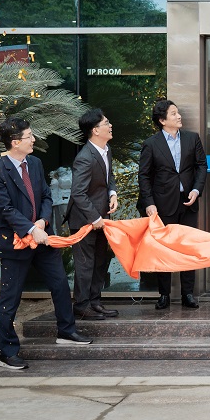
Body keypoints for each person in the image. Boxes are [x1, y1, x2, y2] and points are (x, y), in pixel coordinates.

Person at [0, 116, 92, 370]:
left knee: (59, 283)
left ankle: (66, 330)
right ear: (15, 142)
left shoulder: (34, 163)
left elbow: (46, 195)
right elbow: (4, 209)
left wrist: (43, 221)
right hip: (15, 242)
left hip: (43, 238)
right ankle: (7, 352)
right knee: (10, 297)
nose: (34, 140)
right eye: (29, 136)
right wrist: (32, 229)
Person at [138, 99, 208, 310]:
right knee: (164, 248)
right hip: (162, 203)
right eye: (174, 114)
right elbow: (144, 176)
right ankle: (164, 294)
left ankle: (188, 293)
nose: (179, 116)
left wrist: (196, 190)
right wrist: (149, 203)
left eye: (178, 113)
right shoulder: (151, 144)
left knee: (187, 247)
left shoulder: (192, 138)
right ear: (162, 120)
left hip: (188, 202)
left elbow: (201, 166)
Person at [66, 108, 119, 321]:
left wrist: (112, 193)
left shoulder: (106, 150)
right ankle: (81, 305)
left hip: (101, 217)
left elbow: (109, 177)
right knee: (85, 264)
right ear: (95, 130)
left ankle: (95, 302)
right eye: (106, 122)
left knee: (99, 261)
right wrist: (95, 218)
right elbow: (78, 193)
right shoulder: (85, 157)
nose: (110, 125)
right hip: (84, 220)